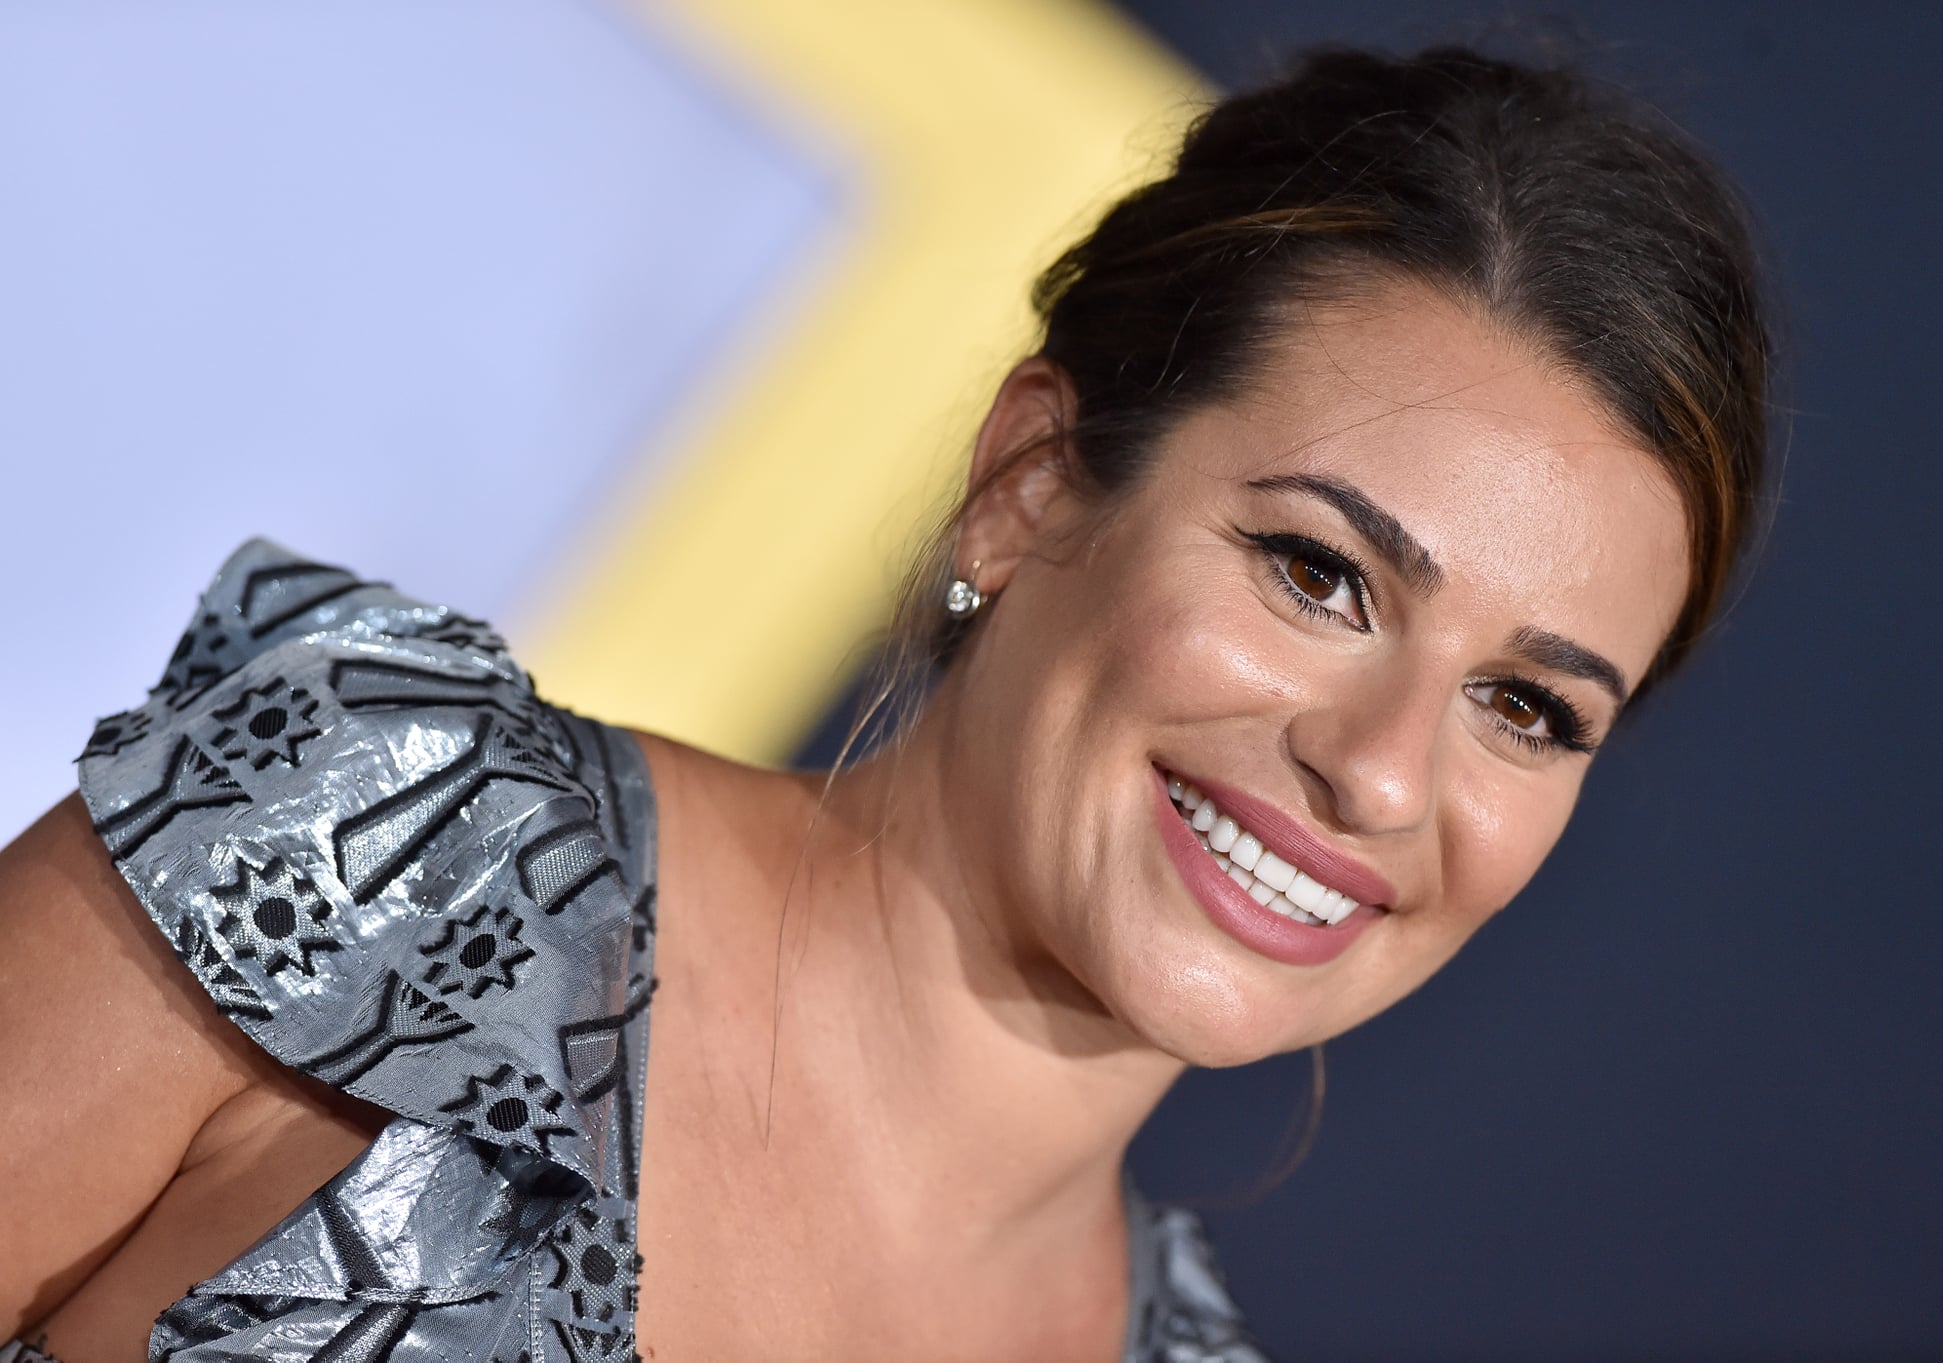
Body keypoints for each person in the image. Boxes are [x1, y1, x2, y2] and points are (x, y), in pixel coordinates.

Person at [0, 42, 1769, 1363]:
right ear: (1033, 483)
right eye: (1320, 575)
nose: (1381, 772)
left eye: (1528, 709)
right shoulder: (386, 829)